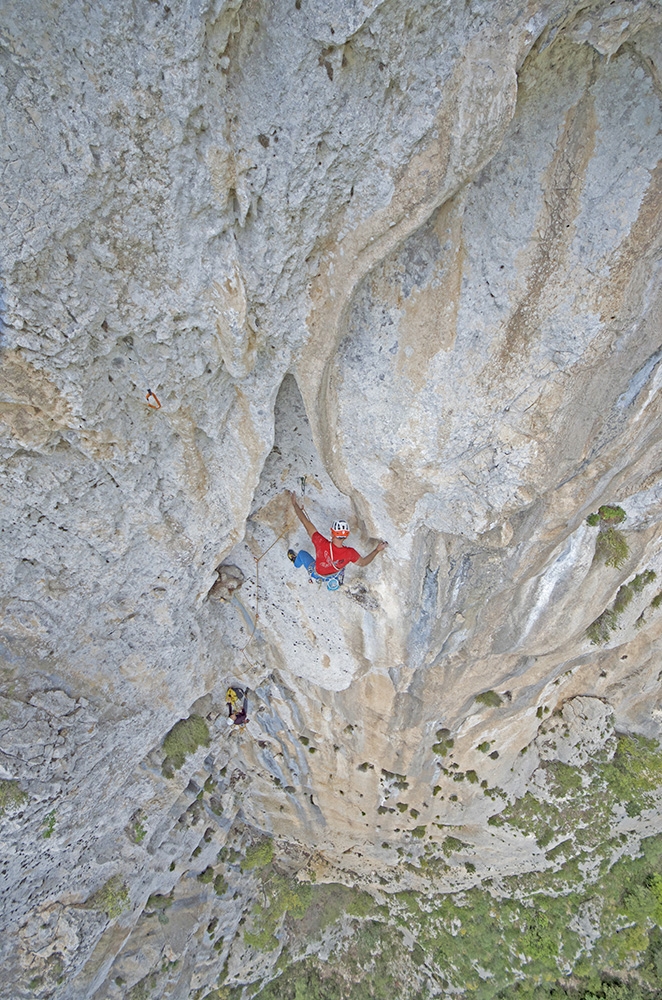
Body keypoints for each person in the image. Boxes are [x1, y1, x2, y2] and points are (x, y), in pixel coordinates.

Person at [287, 491, 387, 590]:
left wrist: (295, 505)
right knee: (340, 564)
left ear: (332, 533)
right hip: (333, 576)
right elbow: (363, 563)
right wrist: (377, 550)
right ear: (346, 536)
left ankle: (296, 562)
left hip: (317, 574)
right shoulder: (350, 553)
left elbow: (306, 523)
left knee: (301, 554)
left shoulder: (320, 543)